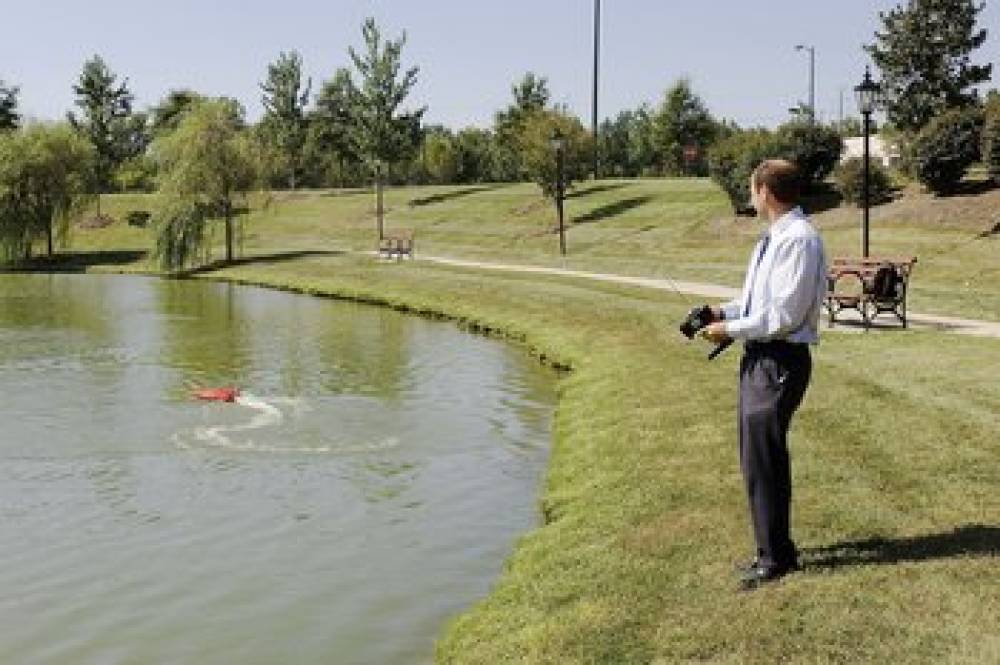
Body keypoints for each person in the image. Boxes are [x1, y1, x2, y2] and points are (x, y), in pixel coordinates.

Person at [700, 159, 828, 591]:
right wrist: (723, 312)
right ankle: (774, 549)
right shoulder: (775, 238)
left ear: (765, 192)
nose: (750, 195)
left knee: (765, 459)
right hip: (761, 358)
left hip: (779, 359)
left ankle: (774, 559)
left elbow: (783, 317)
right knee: (758, 457)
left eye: (752, 189)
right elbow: (759, 303)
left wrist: (729, 329)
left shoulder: (798, 240)